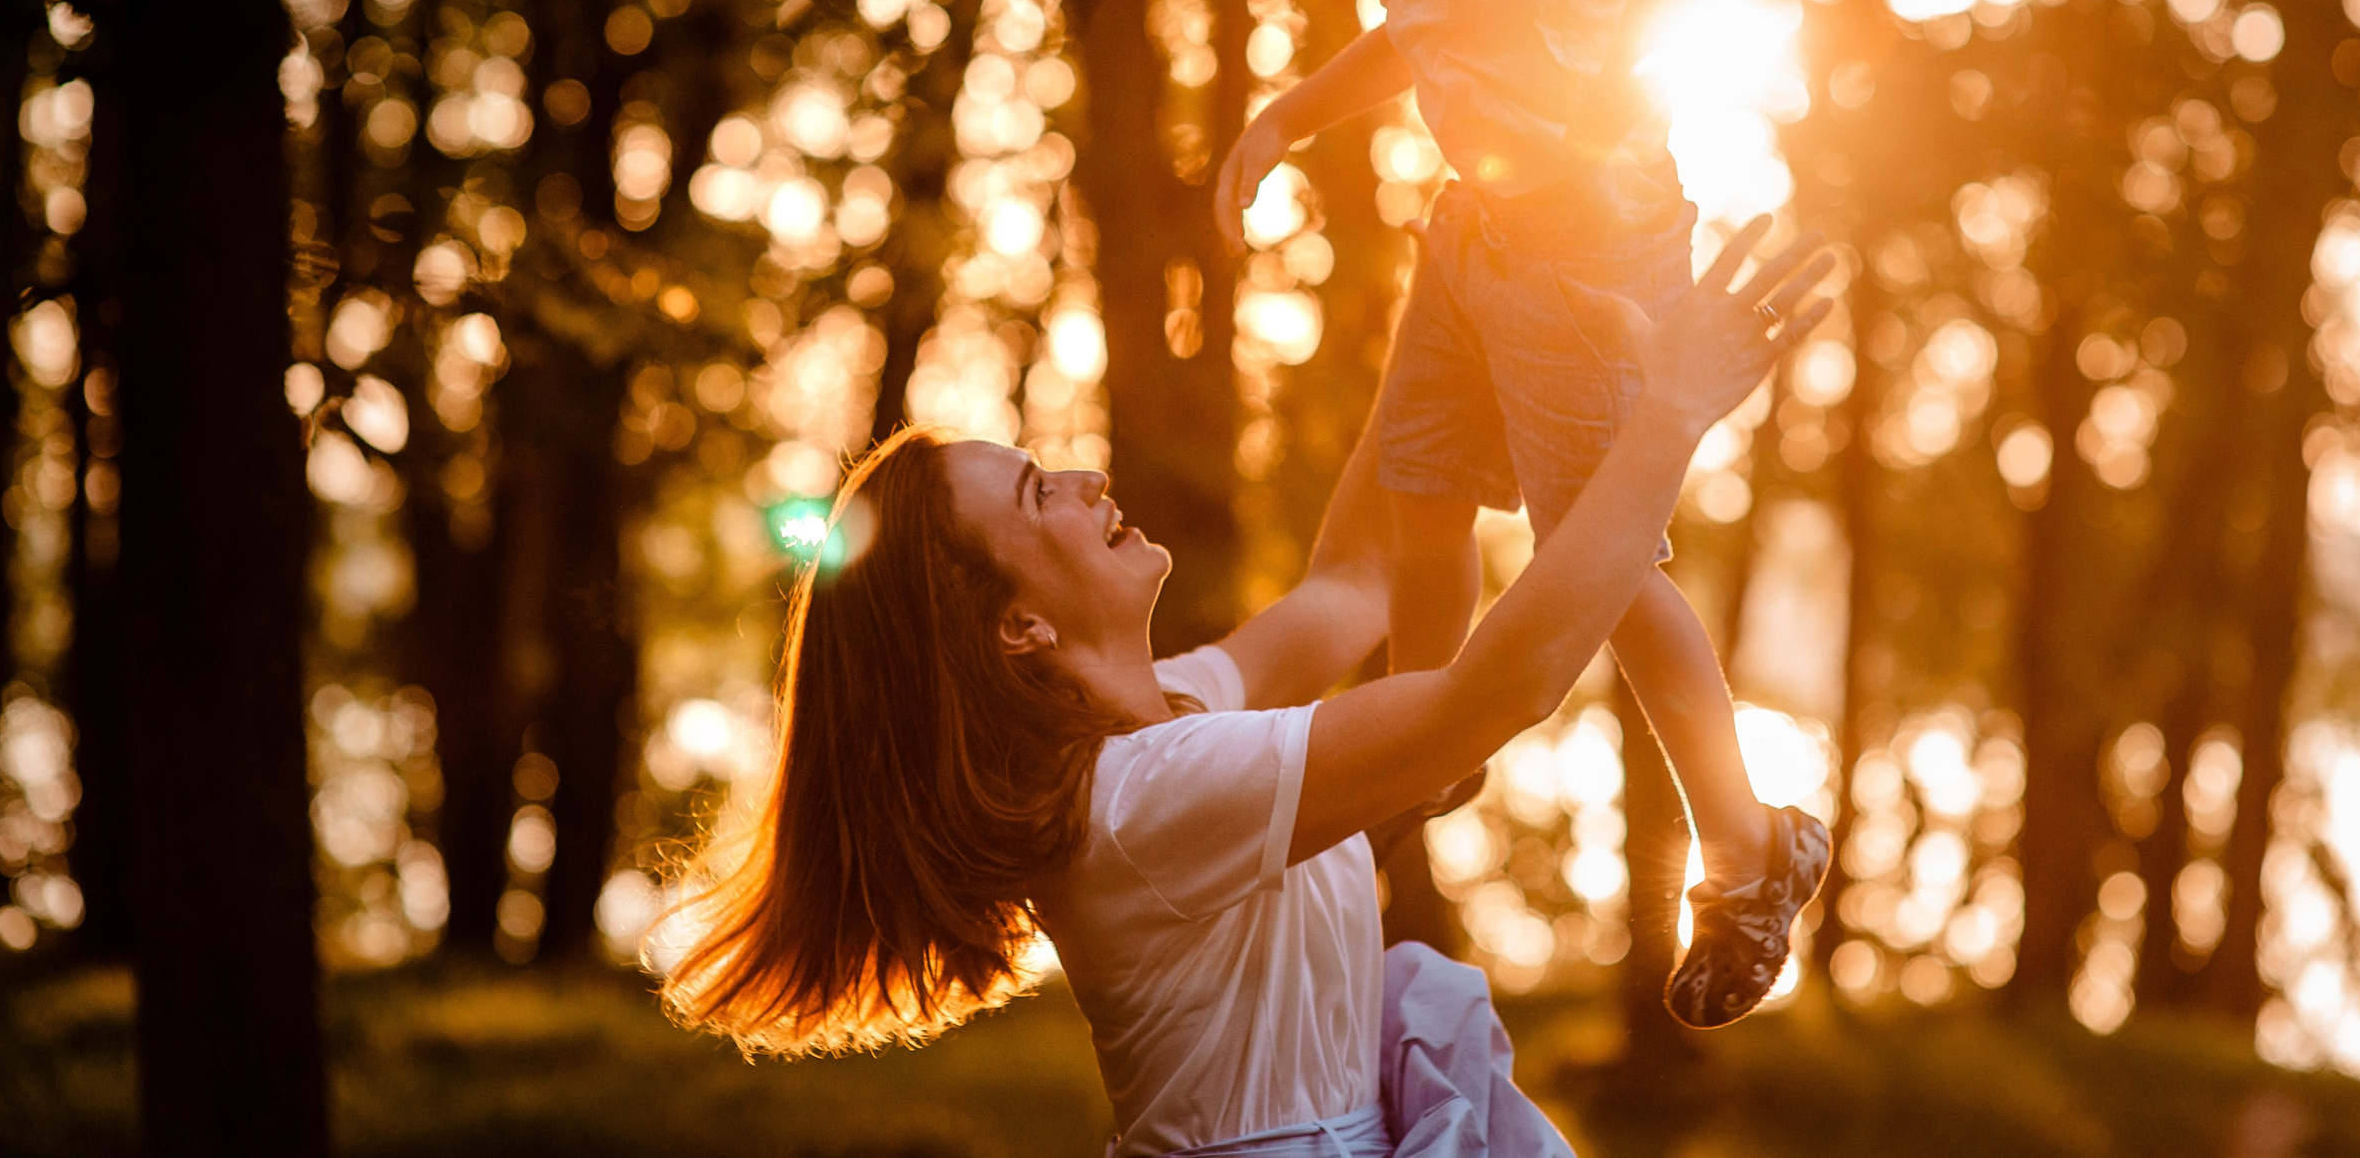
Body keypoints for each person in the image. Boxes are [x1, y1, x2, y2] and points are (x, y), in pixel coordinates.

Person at [661, 218, 1832, 1156]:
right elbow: (1498, 688)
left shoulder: (1172, 713)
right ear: (1018, 624)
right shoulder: (1143, 800)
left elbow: (1359, 576)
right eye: (1037, 496)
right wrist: (1670, 410)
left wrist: (1448, 266)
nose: (1081, 477)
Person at [1209, 0, 1829, 1030]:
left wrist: (1643, 97)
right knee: (1421, 488)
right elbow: (1418, 36)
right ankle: (1432, 718)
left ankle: (1747, 847)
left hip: (1588, 246)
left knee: (1599, 557)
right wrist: (1296, 110)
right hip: (1476, 232)